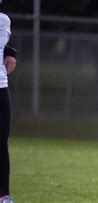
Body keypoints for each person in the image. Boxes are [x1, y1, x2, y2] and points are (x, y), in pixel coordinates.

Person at [0, 2, 18, 202]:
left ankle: (3, 194)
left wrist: (11, 52)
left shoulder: (4, 21)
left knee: (1, 142)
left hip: (0, 86)